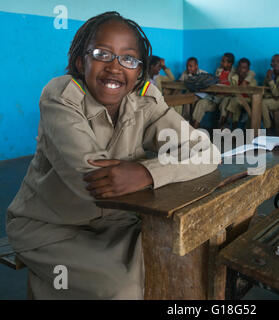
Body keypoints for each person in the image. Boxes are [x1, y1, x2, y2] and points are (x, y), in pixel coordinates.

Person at [6, 11, 220, 299]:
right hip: (51, 227)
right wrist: (163, 168)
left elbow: (206, 151)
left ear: (139, 71)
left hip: (118, 222)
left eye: (129, 59)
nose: (115, 67)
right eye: (102, 54)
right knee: (124, 289)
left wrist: (146, 172)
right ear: (82, 62)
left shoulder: (145, 100)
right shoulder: (60, 96)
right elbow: (95, 179)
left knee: (183, 261)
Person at [191, 53, 236, 129]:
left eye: (223, 61)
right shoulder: (219, 70)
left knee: (224, 105)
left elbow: (234, 88)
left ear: (230, 64)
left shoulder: (234, 73)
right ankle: (194, 128)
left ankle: (221, 130)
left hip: (226, 98)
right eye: (221, 61)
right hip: (215, 97)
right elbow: (214, 82)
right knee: (201, 103)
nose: (221, 63)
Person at [223, 58, 257, 129]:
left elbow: (253, 96)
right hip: (237, 100)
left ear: (248, 69)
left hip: (248, 100)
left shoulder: (252, 80)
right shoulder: (234, 77)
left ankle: (227, 122)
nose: (241, 69)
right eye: (240, 67)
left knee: (235, 100)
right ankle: (234, 131)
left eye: (244, 68)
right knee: (235, 106)